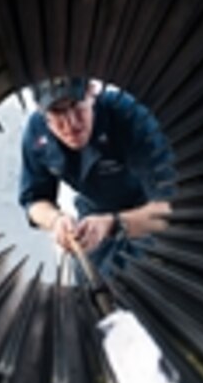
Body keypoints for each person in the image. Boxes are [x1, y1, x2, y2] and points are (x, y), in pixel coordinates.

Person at [18, 77, 176, 279]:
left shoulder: (128, 114)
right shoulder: (35, 132)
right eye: (57, 112)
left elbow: (173, 209)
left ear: (92, 92)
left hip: (145, 208)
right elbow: (33, 200)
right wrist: (56, 220)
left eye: (76, 106)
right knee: (90, 285)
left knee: (149, 279)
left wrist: (114, 224)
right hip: (94, 212)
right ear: (41, 111)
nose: (71, 124)